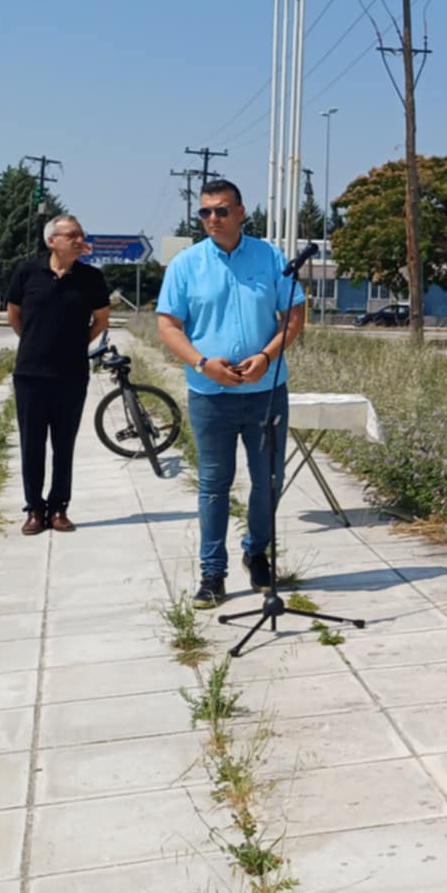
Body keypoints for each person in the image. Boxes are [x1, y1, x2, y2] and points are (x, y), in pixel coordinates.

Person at [156, 179, 306, 609]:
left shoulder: (270, 257)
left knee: (268, 481)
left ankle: (257, 552)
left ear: (241, 212)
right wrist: (204, 364)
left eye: (222, 211)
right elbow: (168, 326)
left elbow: (294, 315)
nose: (213, 219)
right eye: (205, 212)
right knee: (214, 484)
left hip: (266, 391)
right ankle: (212, 572)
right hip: (210, 392)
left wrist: (266, 355)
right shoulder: (186, 264)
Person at [6, 215, 111, 535]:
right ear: (53, 240)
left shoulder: (91, 278)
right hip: (30, 375)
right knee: (32, 444)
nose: (80, 240)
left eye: (81, 235)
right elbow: (14, 315)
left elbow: (101, 320)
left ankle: (59, 508)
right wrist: (36, 342)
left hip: (71, 375)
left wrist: (77, 344)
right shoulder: (27, 273)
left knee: (64, 445)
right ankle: (35, 509)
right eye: (73, 235)